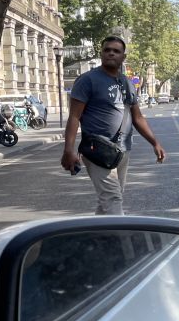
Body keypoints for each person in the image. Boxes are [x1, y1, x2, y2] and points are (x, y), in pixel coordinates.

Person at [60, 36, 166, 215]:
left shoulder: (127, 83)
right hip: (97, 149)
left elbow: (138, 117)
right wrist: (68, 150)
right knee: (112, 199)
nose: (111, 53)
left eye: (116, 51)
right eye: (107, 50)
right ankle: (121, 233)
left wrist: (155, 143)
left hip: (122, 150)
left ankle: (100, 232)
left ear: (123, 57)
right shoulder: (88, 80)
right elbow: (74, 117)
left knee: (109, 201)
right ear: (101, 53)